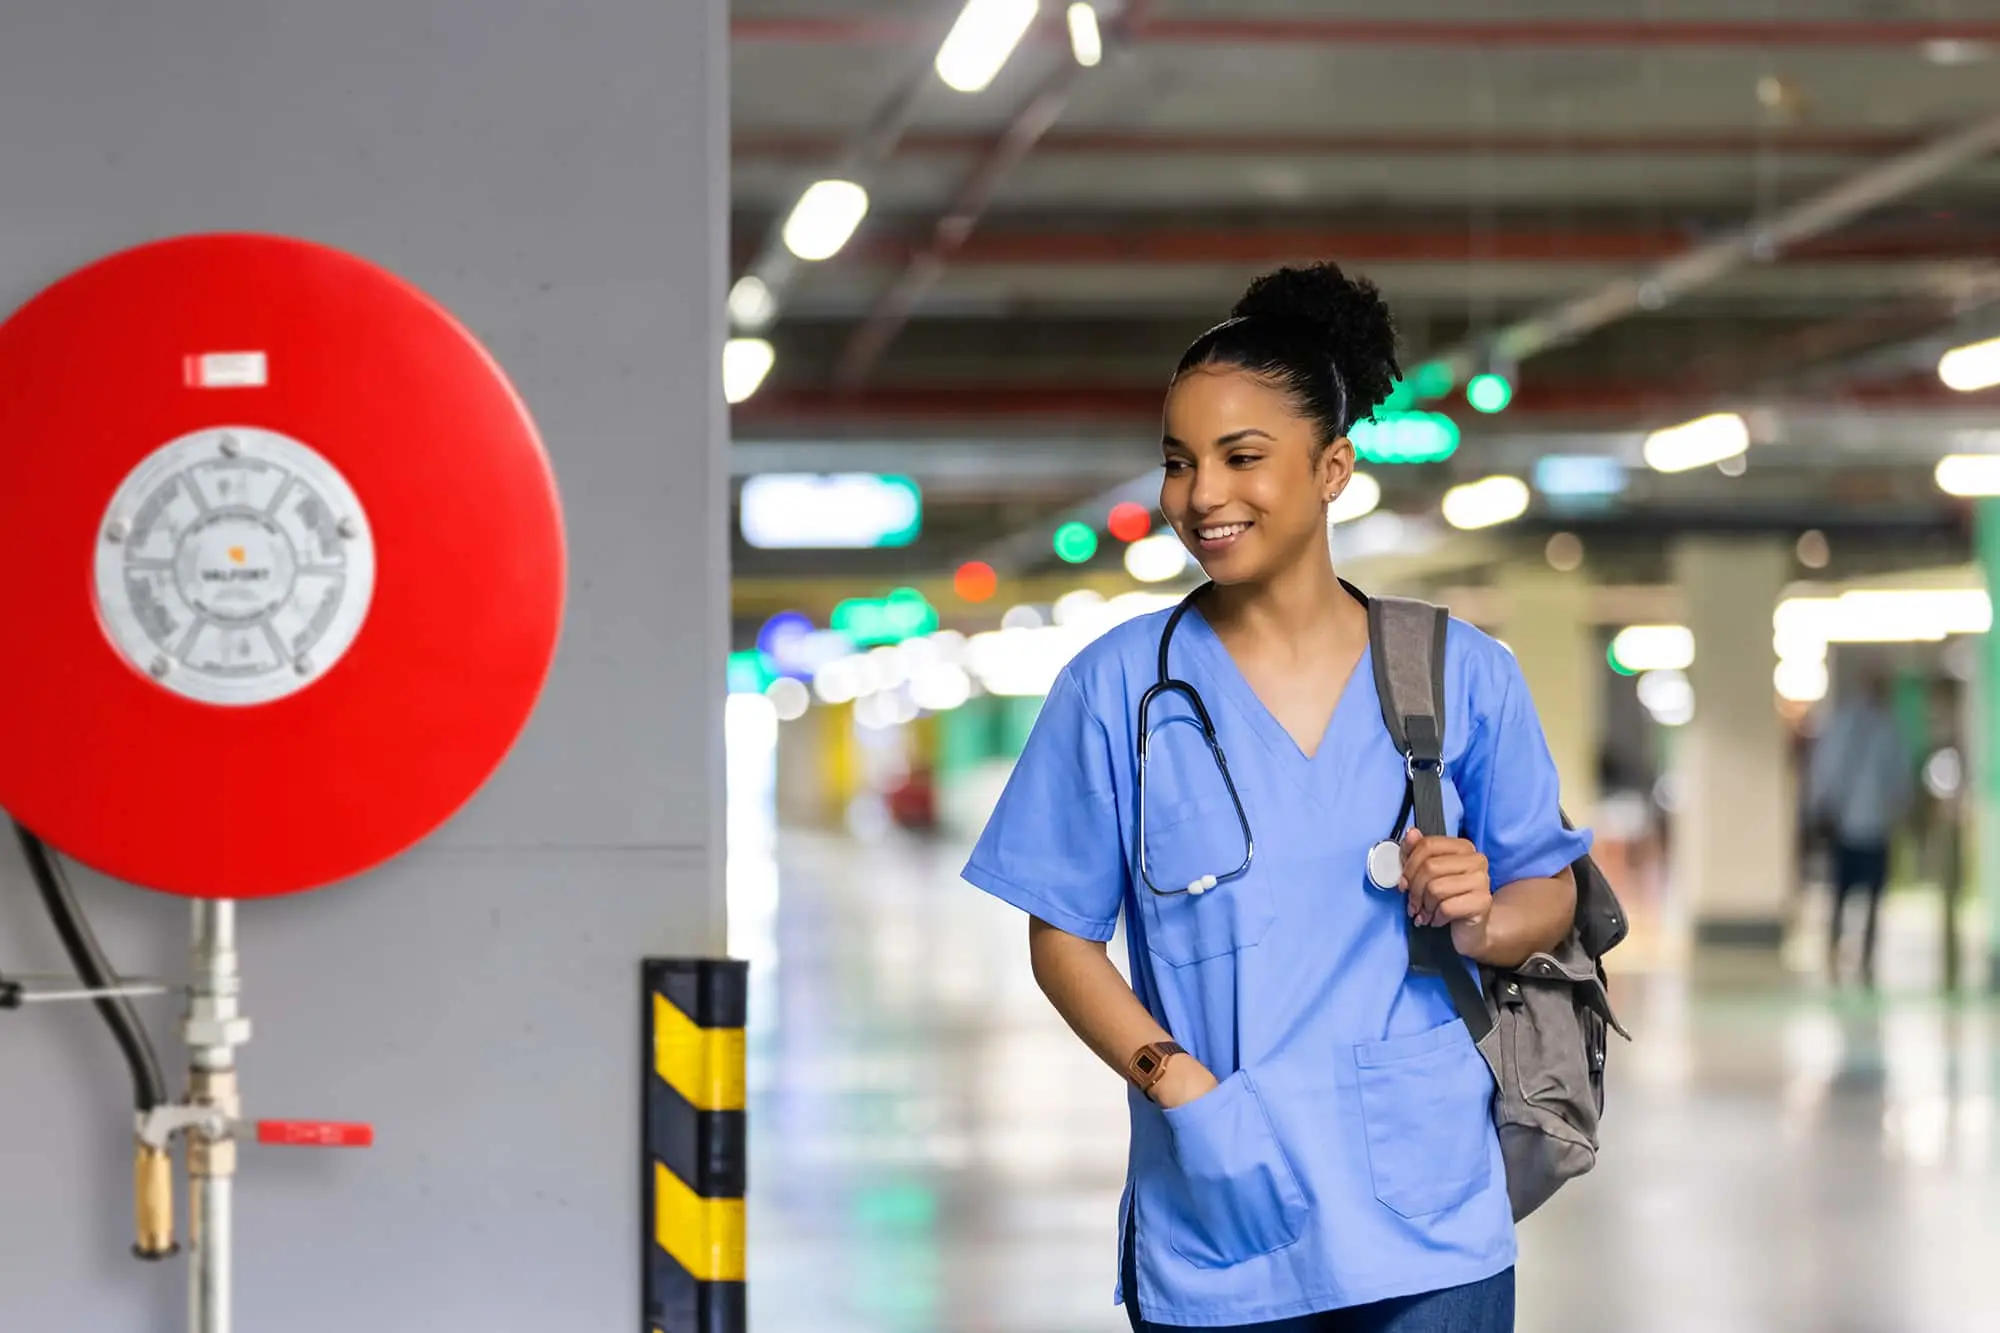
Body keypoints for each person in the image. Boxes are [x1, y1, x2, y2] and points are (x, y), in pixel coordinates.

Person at [961, 263, 1589, 1332]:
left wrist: (1483, 913)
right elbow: (1060, 936)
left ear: (1331, 467)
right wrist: (1171, 1079)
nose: (1201, 495)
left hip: (1425, 1208)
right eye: (1176, 462)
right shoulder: (1115, 688)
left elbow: (1553, 892)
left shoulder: (1456, 672)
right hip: (1219, 1203)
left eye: (1240, 456)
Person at [1806, 672, 1913, 986]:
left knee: (1854, 895)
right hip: (1861, 826)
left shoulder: (1862, 728)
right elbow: (1900, 782)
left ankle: (1850, 951)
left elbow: (1825, 771)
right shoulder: (1877, 730)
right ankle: (1852, 950)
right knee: (1857, 895)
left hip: (1859, 826)